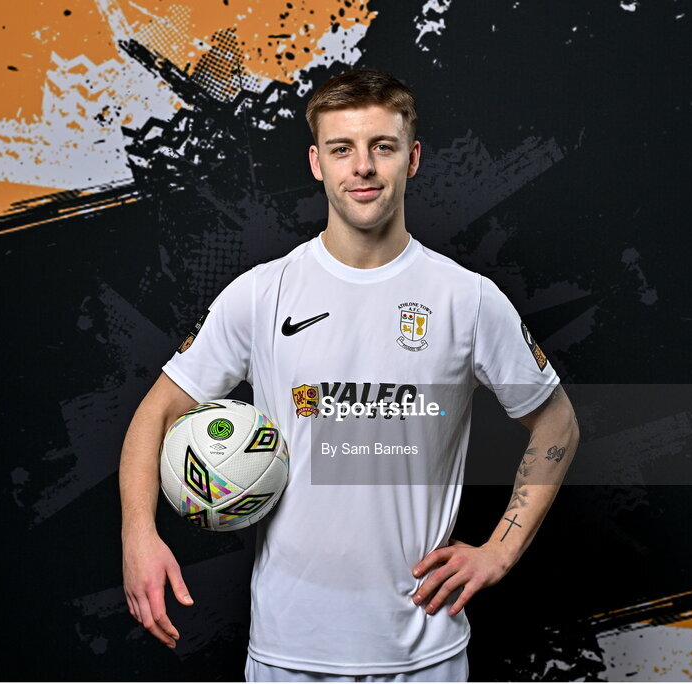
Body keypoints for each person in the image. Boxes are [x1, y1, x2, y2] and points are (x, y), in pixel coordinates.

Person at [119, 69, 580, 681]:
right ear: (317, 162)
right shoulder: (261, 295)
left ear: (411, 158)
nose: (362, 167)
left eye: (381, 147)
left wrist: (500, 551)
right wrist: (138, 536)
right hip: (289, 651)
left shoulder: (466, 299)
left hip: (423, 654)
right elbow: (156, 412)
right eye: (342, 149)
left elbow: (557, 426)